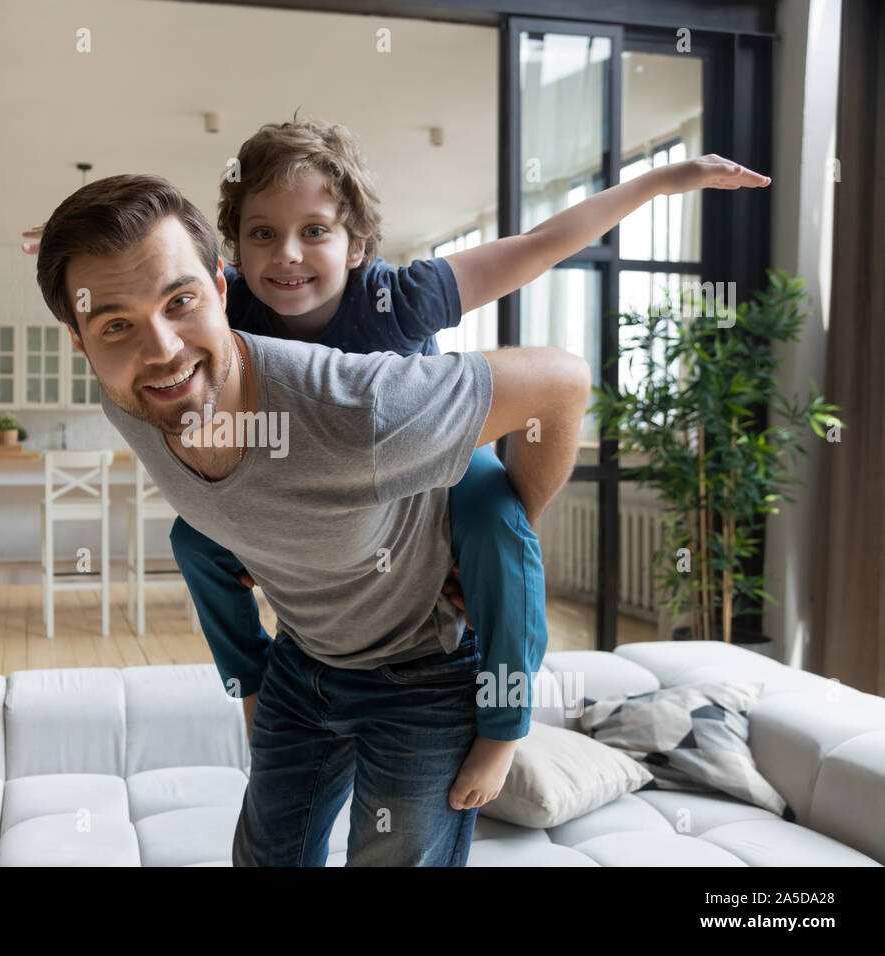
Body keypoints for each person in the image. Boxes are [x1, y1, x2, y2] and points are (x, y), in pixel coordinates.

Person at [22, 119, 773, 826]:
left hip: (436, 479)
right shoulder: (225, 308)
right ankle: (254, 683)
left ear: (357, 244)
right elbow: (149, 272)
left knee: (495, 521)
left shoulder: (400, 294)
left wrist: (654, 185)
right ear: (232, 261)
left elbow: (541, 245)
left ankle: (504, 725)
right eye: (263, 234)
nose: (287, 255)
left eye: (314, 232)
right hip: (334, 506)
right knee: (194, 541)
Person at [34, 173, 592, 865]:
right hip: (304, 664)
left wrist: (501, 539)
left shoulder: (360, 412)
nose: (162, 350)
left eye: (181, 301)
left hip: (423, 673)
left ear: (220, 286)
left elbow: (563, 381)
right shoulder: (133, 396)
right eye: (116, 322)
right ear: (80, 341)